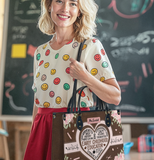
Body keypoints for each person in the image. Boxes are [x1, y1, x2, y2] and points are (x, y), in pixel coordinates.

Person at [24, 0, 121, 159]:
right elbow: (38, 100)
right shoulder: (40, 52)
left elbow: (115, 96)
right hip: (41, 130)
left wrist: (85, 77)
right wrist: (33, 135)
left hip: (75, 128)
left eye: (73, 4)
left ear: (80, 11)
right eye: (59, 1)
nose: (65, 9)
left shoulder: (90, 46)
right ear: (49, 5)